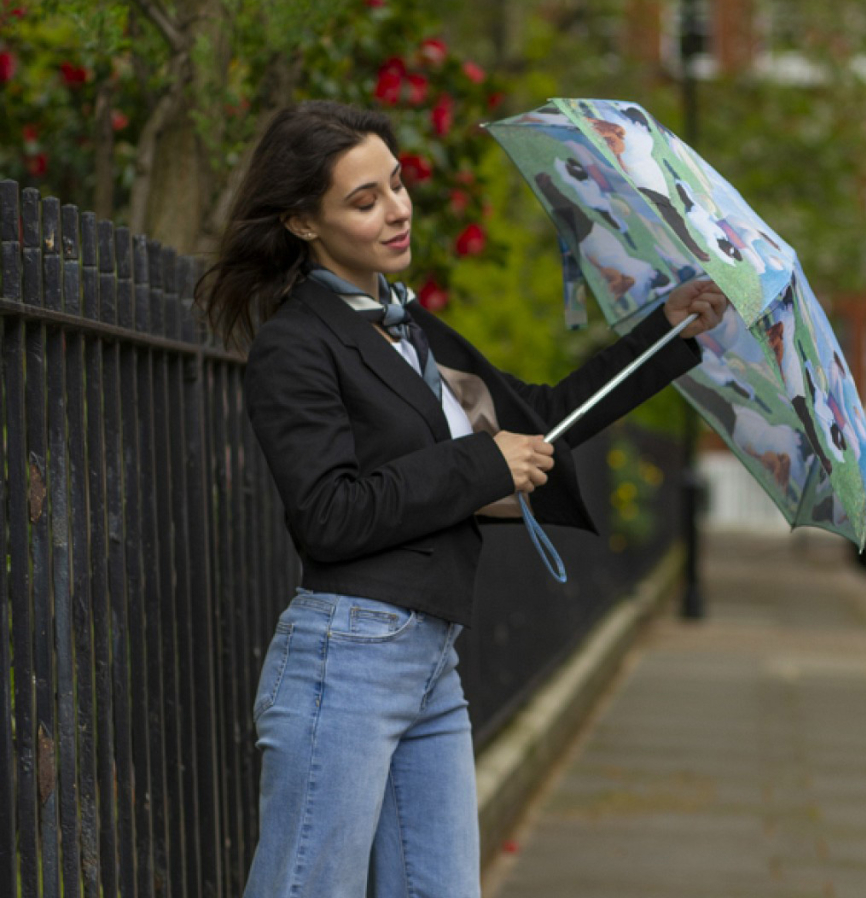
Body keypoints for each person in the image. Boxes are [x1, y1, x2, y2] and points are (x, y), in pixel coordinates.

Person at [195, 100, 727, 898]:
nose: (397, 210)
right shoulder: (295, 345)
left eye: (398, 185)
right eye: (364, 200)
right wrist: (482, 465)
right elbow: (329, 516)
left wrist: (666, 333)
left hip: (427, 661)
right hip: (346, 664)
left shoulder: (408, 330)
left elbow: (541, 422)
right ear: (304, 223)